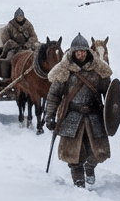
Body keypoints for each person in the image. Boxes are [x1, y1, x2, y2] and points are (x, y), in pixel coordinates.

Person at [45, 34, 113, 189]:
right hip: (72, 116)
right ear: (73, 52)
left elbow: (109, 93)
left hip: (93, 115)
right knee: (73, 153)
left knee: (96, 151)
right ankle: (78, 179)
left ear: (87, 52)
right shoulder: (64, 70)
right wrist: (49, 116)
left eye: (83, 51)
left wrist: (111, 113)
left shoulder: (98, 69)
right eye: (77, 52)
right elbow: (54, 95)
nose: (80, 54)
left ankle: (90, 168)